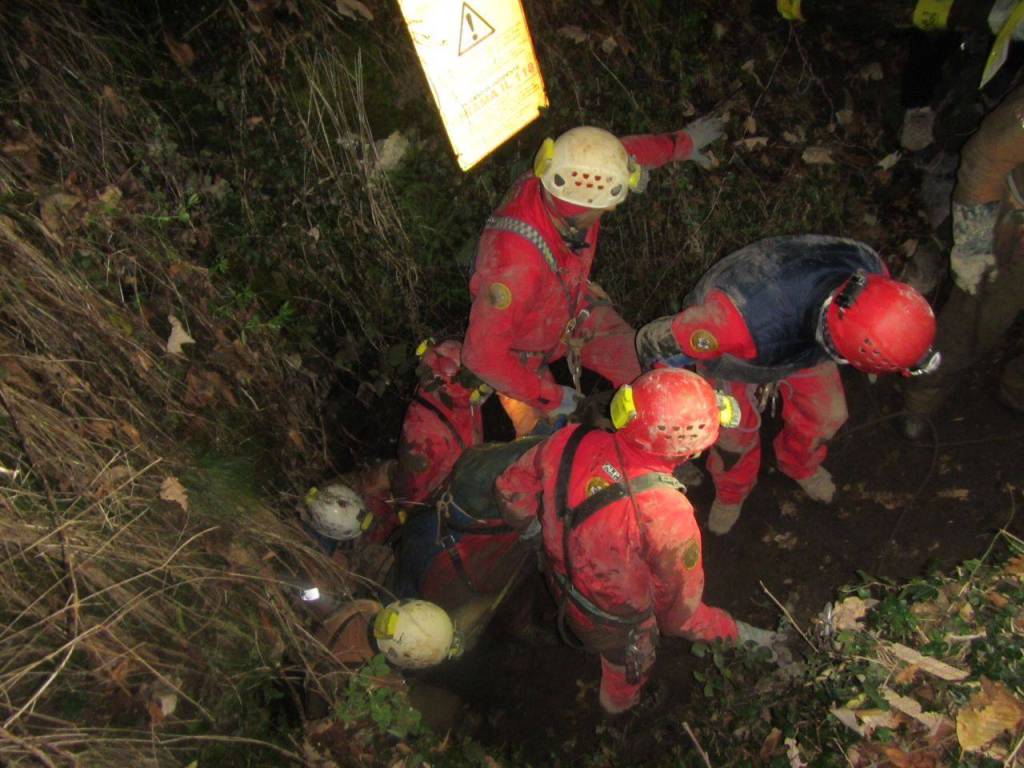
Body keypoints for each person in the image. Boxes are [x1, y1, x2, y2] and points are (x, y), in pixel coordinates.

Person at [493, 368, 761, 715]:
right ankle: (619, 706)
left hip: (560, 584)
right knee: (627, 664)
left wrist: (533, 531)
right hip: (612, 621)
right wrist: (733, 632)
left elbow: (510, 489)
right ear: (691, 449)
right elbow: (678, 614)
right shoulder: (667, 514)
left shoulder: (570, 440)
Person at [635, 236, 940, 536]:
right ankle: (732, 492)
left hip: (804, 342)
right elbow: (657, 342)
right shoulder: (729, 323)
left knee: (827, 415)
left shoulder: (867, 270)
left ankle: (799, 464)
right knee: (733, 440)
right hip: (737, 355)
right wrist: (671, 395)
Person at [462, 119, 725, 436]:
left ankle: (656, 444)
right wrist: (552, 397)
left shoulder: (562, 178)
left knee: (644, 371)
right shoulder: (513, 268)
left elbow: (619, 154)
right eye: (611, 203)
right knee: (549, 445)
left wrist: (681, 144)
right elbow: (482, 356)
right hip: (522, 357)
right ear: (584, 212)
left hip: (573, 310)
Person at [903, 83, 1024, 434]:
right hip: (1015, 226)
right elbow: (986, 158)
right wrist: (973, 245)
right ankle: (922, 397)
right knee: (975, 317)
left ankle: (1016, 391)